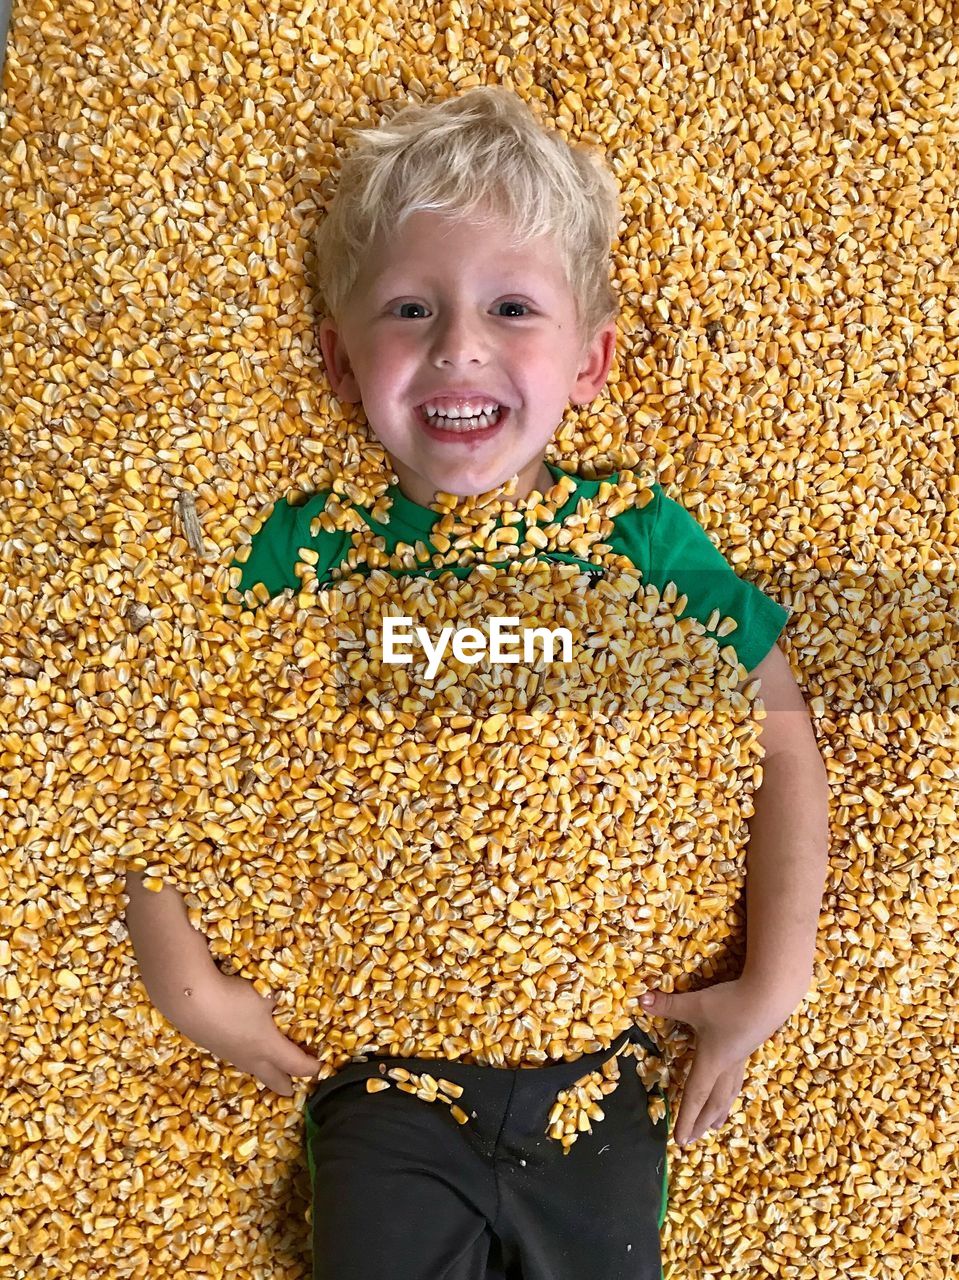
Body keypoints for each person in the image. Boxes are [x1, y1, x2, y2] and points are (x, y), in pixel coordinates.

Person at [127, 86, 830, 1280]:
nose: (458, 345)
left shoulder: (637, 542)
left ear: (592, 360)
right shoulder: (307, 554)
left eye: (512, 307)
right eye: (410, 309)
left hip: (596, 1064)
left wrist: (771, 976)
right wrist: (185, 982)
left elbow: (777, 729)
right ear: (338, 364)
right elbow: (168, 749)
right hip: (380, 1074)